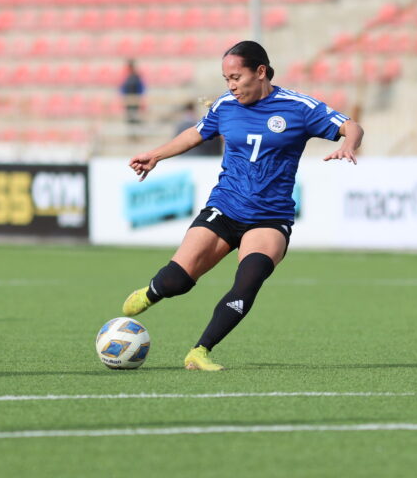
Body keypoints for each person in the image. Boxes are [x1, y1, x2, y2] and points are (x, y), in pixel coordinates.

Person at [122, 40, 363, 370]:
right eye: (226, 79)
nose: (231, 85)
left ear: (260, 72)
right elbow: (196, 133)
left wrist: (349, 145)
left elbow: (351, 125)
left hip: (270, 217)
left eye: (236, 77)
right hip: (225, 208)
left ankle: (200, 351)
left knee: (247, 283)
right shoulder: (225, 105)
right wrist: (155, 155)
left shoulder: (297, 107)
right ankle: (152, 291)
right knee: (175, 282)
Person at [120, 59, 145, 139]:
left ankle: (136, 135)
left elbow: (141, 88)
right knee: (130, 118)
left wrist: (140, 98)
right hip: (129, 101)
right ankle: (132, 135)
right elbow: (122, 88)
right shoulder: (126, 77)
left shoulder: (136, 76)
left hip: (135, 101)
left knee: (135, 118)